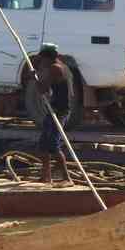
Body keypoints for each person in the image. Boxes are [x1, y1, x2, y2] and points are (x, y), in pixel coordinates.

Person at [33, 43, 73, 185]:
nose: (41, 61)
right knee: (43, 144)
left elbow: (42, 89)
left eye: (42, 58)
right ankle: (46, 176)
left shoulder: (55, 68)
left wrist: (34, 77)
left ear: (47, 57)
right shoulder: (62, 65)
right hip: (55, 109)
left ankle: (67, 178)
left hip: (60, 111)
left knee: (53, 144)